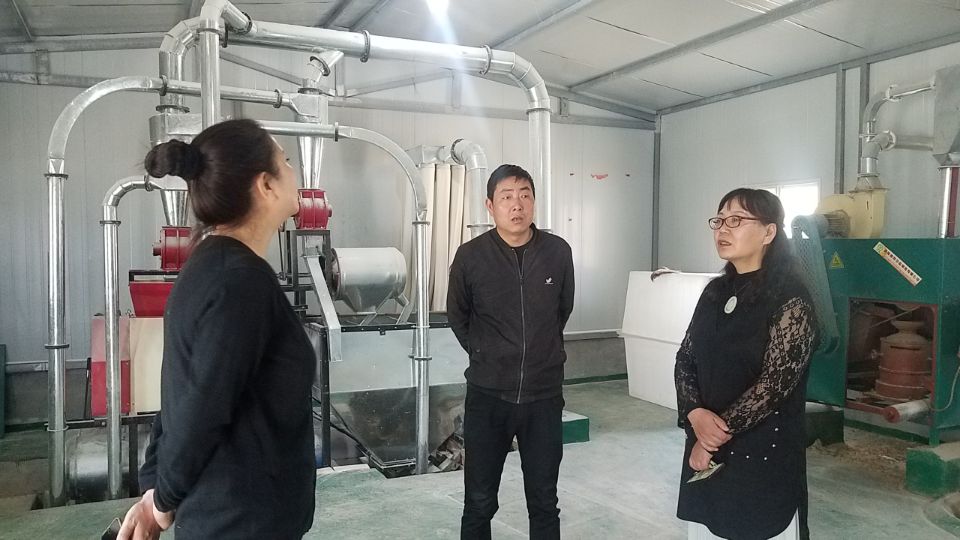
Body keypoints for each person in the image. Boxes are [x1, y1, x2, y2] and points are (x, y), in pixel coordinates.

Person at [118, 119, 317, 540]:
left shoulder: (210, 266)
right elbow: (201, 407)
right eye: (286, 161)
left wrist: (156, 486)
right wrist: (162, 499)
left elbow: (181, 390)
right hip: (241, 521)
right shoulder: (239, 281)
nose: (294, 171)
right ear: (266, 185)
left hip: (230, 516)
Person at [674, 188, 818, 540]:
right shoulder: (714, 292)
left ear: (769, 232)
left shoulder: (790, 299)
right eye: (720, 220)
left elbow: (773, 386)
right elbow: (686, 357)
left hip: (762, 453)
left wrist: (709, 439)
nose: (723, 228)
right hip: (705, 442)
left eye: (736, 220)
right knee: (708, 528)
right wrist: (694, 413)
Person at [447, 164, 575, 540]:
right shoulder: (471, 257)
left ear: (534, 201)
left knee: (544, 501)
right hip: (488, 398)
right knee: (479, 501)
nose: (516, 205)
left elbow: (561, 311)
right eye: (506, 197)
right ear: (490, 205)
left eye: (524, 195)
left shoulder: (557, 252)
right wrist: (486, 353)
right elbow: (458, 316)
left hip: (543, 397)